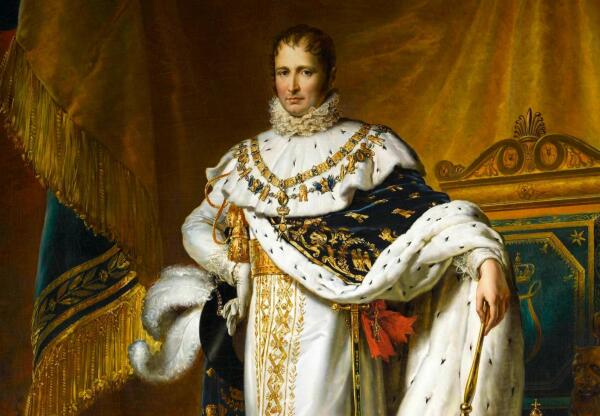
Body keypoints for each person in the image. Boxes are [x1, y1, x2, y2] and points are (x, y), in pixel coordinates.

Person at [181, 24, 524, 416]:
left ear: (330, 75)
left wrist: (484, 259)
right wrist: (235, 268)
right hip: (265, 325)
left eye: (305, 72)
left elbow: (429, 219)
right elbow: (195, 226)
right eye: (283, 72)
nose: (292, 86)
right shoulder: (248, 160)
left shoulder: (368, 148)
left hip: (335, 325)